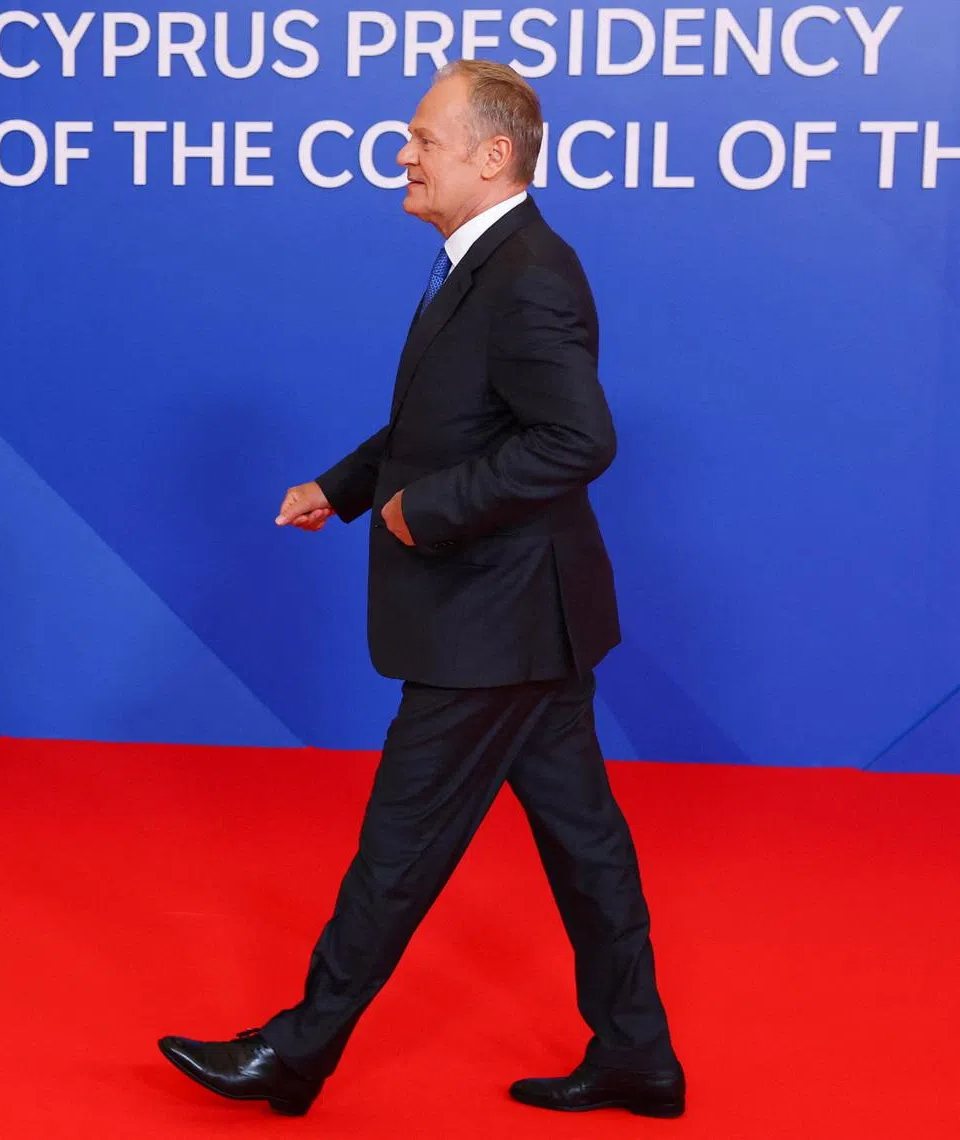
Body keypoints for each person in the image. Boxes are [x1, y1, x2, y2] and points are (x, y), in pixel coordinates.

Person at [158, 59, 684, 1120]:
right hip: (530, 619)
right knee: (586, 847)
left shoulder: (528, 274)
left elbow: (578, 440)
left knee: (400, 846)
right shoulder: (479, 263)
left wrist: (427, 511)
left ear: (493, 156)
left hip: (493, 619)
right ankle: (639, 1055)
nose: (403, 154)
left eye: (422, 138)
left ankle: (296, 1053)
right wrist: (345, 488)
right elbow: (443, 426)